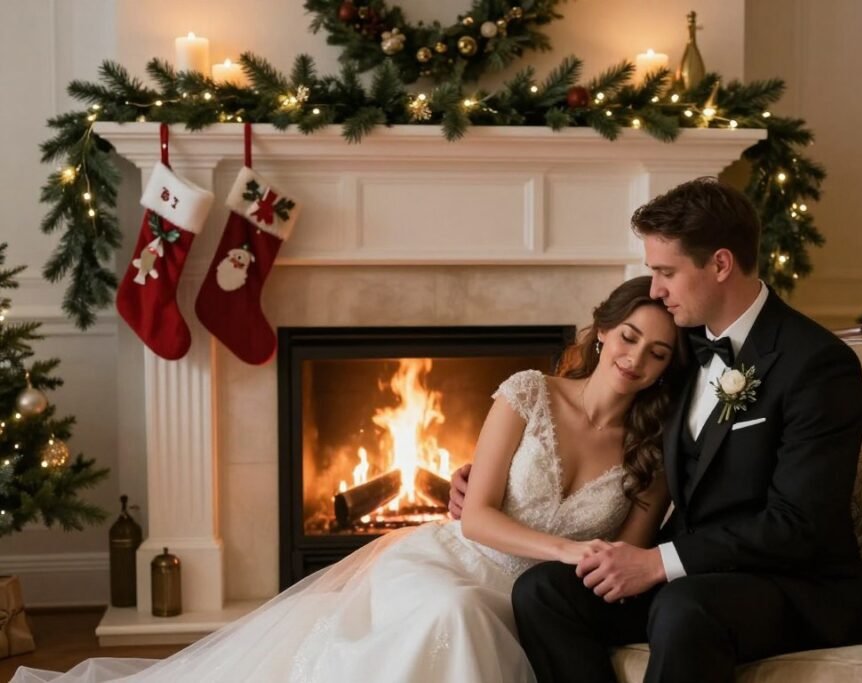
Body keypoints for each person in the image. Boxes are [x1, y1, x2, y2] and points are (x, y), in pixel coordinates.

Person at [12, 276, 685, 683]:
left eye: (657, 352)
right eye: (628, 336)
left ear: (665, 369)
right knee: (450, 612)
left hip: (534, 599)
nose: (636, 358)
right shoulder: (529, 391)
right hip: (454, 561)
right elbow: (475, 516)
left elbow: (622, 564)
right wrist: (569, 550)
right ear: (601, 331)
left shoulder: (649, 456)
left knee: (470, 618)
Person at [451, 178, 862, 683]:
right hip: (693, 572)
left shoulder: (816, 364)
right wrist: (492, 477)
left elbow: (799, 524)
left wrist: (660, 562)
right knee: (545, 591)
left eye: (665, 272)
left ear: (720, 265)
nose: (655, 289)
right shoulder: (677, 348)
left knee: (684, 608)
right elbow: (596, 418)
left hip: (792, 585)